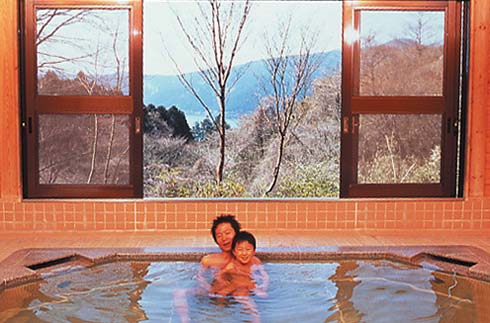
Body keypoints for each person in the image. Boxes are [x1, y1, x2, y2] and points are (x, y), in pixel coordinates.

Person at [209, 231, 269, 323]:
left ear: (254, 251)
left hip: (250, 284)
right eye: (240, 250)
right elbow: (219, 275)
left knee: (263, 295)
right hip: (237, 288)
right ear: (234, 252)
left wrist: (263, 286)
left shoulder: (256, 261)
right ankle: (255, 319)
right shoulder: (232, 266)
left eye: (248, 249)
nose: (244, 253)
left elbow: (264, 275)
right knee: (248, 303)